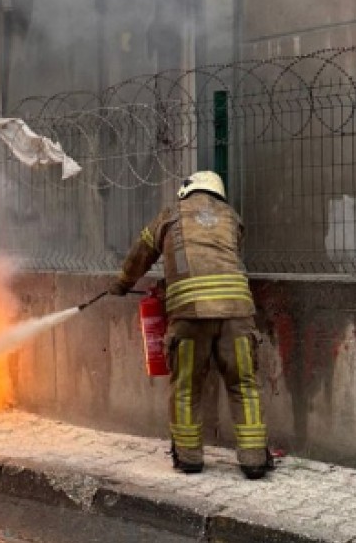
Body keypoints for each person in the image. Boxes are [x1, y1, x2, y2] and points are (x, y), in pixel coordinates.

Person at [108, 171, 272, 479]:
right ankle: (253, 460)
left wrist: (122, 283)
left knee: (186, 387)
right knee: (244, 385)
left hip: (189, 316)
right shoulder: (232, 218)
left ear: (187, 190)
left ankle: (189, 458)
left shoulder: (170, 214)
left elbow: (141, 252)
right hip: (237, 315)